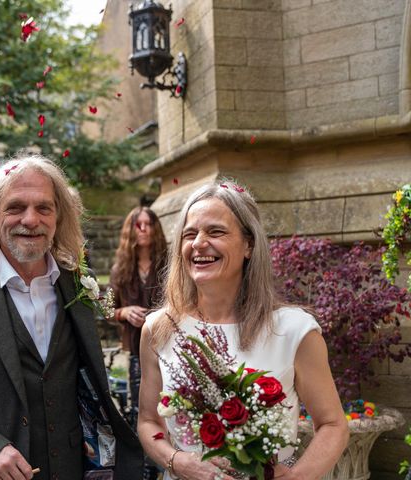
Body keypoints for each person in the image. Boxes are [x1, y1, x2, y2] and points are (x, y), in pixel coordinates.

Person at [0, 153, 143, 480]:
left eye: (43, 208)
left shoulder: (77, 287)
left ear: (59, 217)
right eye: (15, 207)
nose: (30, 220)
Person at [138, 179, 349, 479]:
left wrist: (296, 476)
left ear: (248, 245)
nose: (198, 243)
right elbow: (148, 421)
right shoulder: (159, 329)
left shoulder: (295, 331)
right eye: (189, 234)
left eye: (216, 231)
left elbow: (333, 425)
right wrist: (177, 461)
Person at [109, 206, 167, 477]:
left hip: (166, 350)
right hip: (134, 351)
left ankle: (165, 464)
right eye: (137, 224)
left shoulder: (169, 263)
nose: (143, 229)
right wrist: (124, 312)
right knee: (138, 412)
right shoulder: (121, 268)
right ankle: (143, 471)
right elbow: (106, 309)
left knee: (166, 409)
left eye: (148, 224)